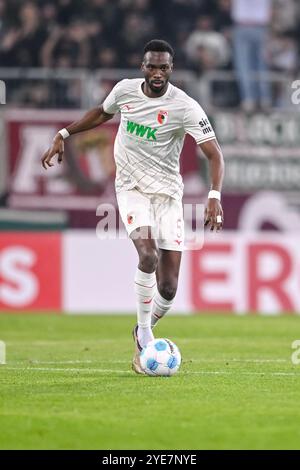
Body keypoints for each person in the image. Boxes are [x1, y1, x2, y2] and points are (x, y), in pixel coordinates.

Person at [41, 39, 224, 375]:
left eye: (163, 68)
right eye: (151, 66)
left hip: (168, 196)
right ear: (143, 66)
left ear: (171, 69)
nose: (157, 73)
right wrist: (64, 134)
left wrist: (214, 195)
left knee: (168, 290)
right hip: (132, 189)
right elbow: (101, 112)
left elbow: (214, 153)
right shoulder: (124, 91)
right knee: (148, 256)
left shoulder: (184, 106)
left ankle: (144, 324)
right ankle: (144, 335)